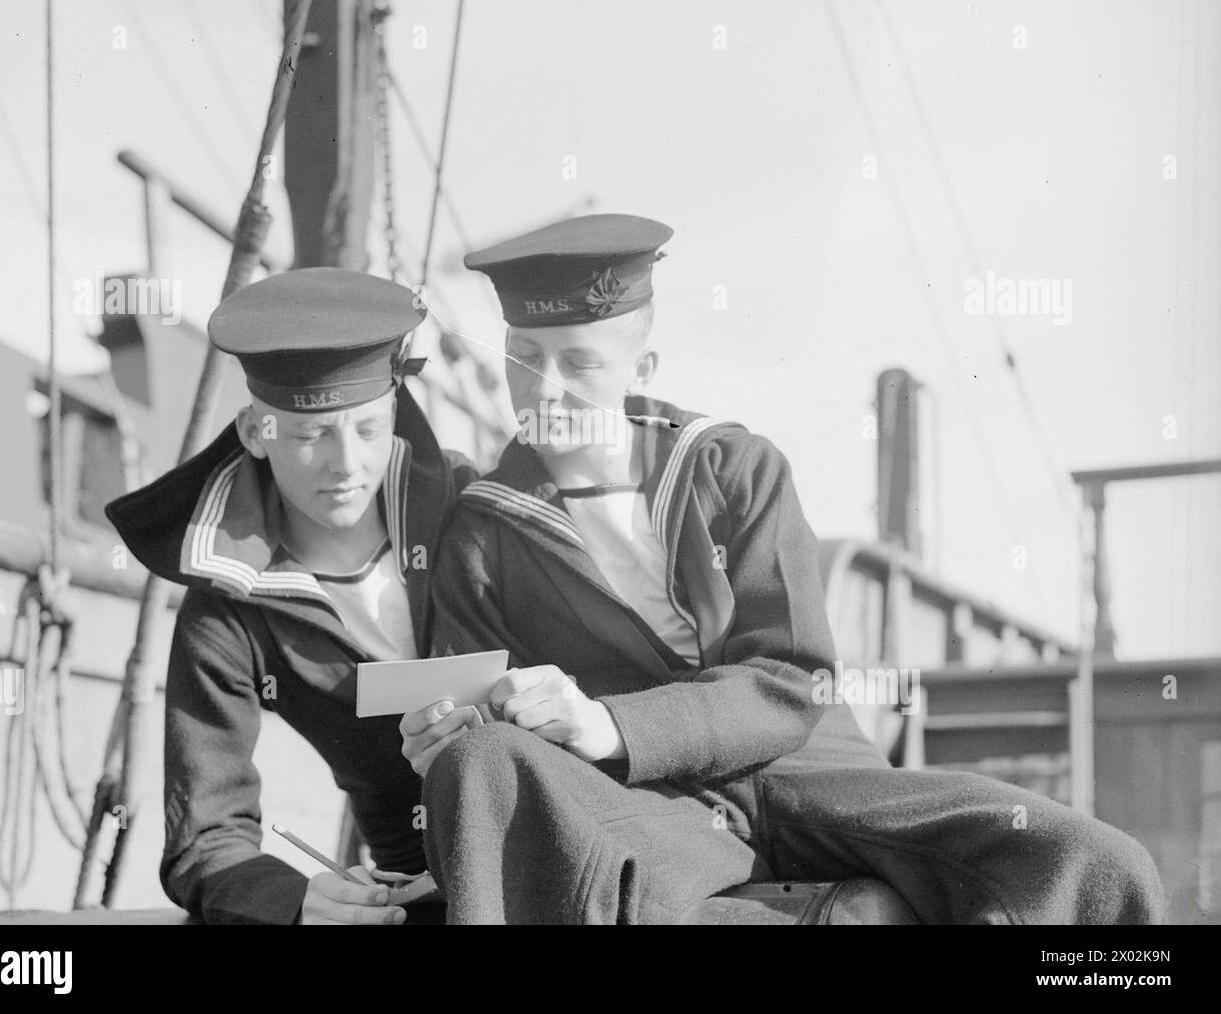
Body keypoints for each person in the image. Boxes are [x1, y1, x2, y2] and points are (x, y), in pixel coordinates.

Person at [400, 213, 1165, 925]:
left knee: (1093, 864)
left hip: (810, 770)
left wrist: (610, 722)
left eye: (580, 361)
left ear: (644, 365)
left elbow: (791, 678)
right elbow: (485, 717)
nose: (546, 386)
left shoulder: (734, 468)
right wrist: (448, 731)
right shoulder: (483, 530)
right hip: (648, 800)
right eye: (525, 359)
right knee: (483, 765)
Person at [107, 268, 473, 925]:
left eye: (367, 430)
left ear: (394, 410)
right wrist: (294, 899)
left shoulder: (472, 516)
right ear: (255, 431)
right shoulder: (227, 610)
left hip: (546, 856)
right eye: (310, 436)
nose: (346, 465)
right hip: (406, 898)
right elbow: (206, 836)